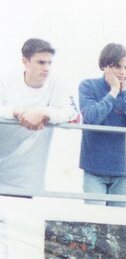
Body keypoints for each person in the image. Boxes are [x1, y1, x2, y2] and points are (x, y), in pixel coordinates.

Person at [0, 38, 79, 197]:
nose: (47, 68)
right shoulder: (6, 82)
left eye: (50, 63)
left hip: (30, 179)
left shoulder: (57, 83)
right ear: (25, 61)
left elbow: (74, 114)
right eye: (41, 62)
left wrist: (43, 112)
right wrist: (16, 112)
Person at [78, 43, 126, 206]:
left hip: (124, 169)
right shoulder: (88, 86)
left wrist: (125, 92)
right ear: (104, 66)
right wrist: (113, 92)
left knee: (121, 224)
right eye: (117, 66)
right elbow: (90, 118)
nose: (123, 72)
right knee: (95, 219)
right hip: (94, 168)